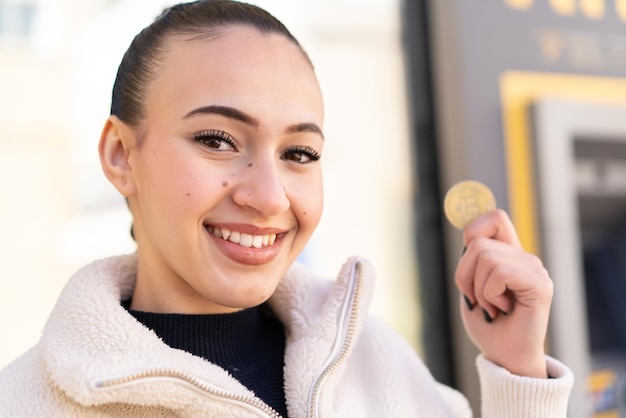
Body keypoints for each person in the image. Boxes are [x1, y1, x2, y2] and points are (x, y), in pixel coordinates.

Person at [0, 0, 573, 416]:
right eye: (217, 140)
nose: (271, 197)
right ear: (122, 155)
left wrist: (517, 371)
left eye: (299, 152)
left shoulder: (374, 359)